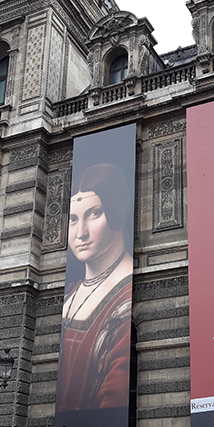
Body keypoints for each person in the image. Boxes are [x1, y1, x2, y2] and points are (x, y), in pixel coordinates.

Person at [55, 163, 133, 411]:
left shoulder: (125, 298)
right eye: (73, 219)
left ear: (117, 210)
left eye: (94, 213)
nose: (81, 233)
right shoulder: (71, 292)